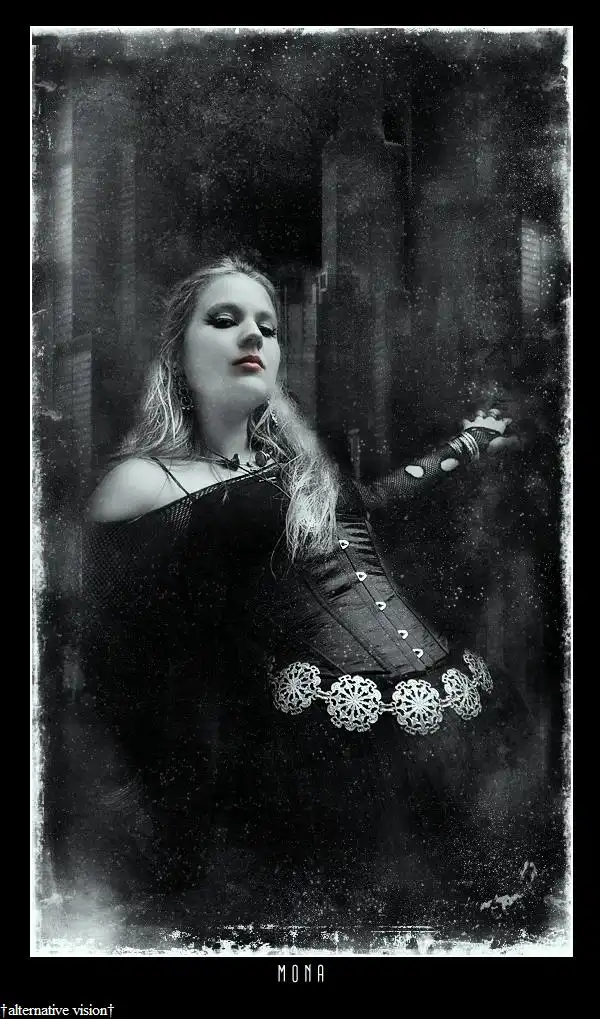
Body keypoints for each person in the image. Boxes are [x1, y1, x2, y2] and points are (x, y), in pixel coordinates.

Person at [76, 255, 550, 938]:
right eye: (225, 319)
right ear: (177, 353)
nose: (253, 336)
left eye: (268, 327)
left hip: (451, 720)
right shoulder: (142, 482)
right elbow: (126, 653)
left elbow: (378, 500)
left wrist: (470, 442)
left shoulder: (299, 465)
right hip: (329, 756)